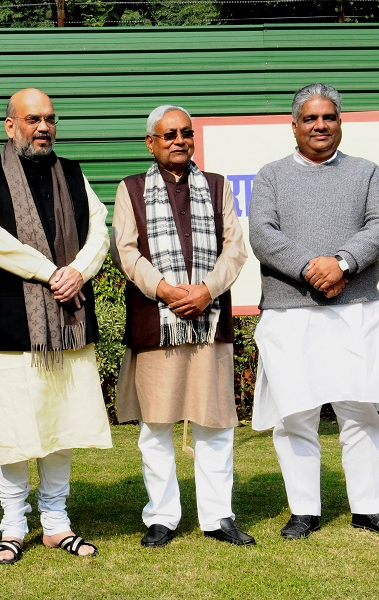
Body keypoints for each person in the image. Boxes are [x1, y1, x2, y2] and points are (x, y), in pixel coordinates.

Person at [0, 88, 112, 564]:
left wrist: (77, 271)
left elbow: (100, 228)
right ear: (10, 125)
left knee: (61, 427)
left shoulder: (73, 172)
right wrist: (51, 271)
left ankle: (57, 524)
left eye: (50, 119)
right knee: (13, 430)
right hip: (8, 323)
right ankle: (13, 526)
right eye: (32, 119)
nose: (43, 127)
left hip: (66, 320)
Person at [249, 83, 379, 539]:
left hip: (355, 306)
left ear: (341, 122)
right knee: (295, 414)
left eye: (329, 117)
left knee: (359, 410)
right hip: (289, 311)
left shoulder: (366, 173)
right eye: (310, 118)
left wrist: (339, 264)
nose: (320, 125)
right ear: (294, 125)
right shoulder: (271, 175)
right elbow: (263, 233)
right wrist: (309, 269)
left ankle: (369, 508)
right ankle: (304, 510)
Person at [111, 105, 253, 548]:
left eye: (185, 133)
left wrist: (206, 290)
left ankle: (218, 517)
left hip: (209, 322)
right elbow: (125, 250)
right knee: (156, 426)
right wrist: (167, 291)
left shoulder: (217, 187)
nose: (178, 140)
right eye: (168, 134)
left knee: (214, 425)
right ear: (150, 142)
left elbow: (235, 248)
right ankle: (162, 517)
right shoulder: (131, 189)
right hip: (157, 324)